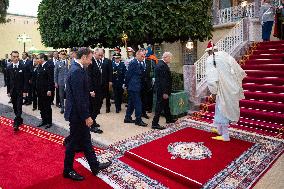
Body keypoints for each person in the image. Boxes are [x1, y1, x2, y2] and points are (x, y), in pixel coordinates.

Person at [63, 47, 111, 181]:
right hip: (77, 115)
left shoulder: (77, 68)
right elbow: (79, 98)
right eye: (90, 59)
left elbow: (79, 91)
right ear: (84, 57)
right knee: (72, 143)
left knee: (86, 141)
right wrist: (87, 116)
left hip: (78, 112)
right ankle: (67, 170)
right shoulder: (76, 70)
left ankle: (94, 166)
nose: (91, 62)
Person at [205, 41, 246, 141]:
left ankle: (225, 136)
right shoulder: (225, 55)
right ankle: (220, 130)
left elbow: (211, 79)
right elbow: (239, 71)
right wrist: (234, 83)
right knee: (223, 108)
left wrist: (213, 92)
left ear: (209, 52)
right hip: (230, 86)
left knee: (222, 109)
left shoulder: (210, 59)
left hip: (221, 88)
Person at [151, 52, 177, 130]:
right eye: (170, 58)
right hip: (162, 90)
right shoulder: (162, 66)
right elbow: (163, 81)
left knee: (166, 105)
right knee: (159, 106)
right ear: (166, 57)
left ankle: (169, 119)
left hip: (162, 89)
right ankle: (155, 123)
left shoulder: (161, 64)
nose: (170, 59)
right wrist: (165, 92)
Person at [124, 49, 147, 127]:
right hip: (133, 87)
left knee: (131, 103)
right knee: (138, 104)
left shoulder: (138, 62)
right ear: (137, 55)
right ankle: (138, 120)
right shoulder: (133, 63)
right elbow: (128, 75)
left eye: (144, 56)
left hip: (136, 86)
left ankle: (127, 117)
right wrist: (126, 85)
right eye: (142, 56)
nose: (143, 57)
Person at [6, 51, 28, 131]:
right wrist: (8, 91)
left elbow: (25, 80)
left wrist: (25, 91)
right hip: (12, 91)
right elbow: (8, 80)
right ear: (11, 57)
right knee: (15, 106)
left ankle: (16, 122)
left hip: (20, 91)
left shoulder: (23, 67)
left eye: (17, 56)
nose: (16, 58)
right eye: (14, 57)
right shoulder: (9, 67)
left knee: (19, 106)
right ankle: (19, 119)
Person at [87, 48, 105, 134]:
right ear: (95, 53)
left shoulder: (99, 61)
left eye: (102, 55)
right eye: (99, 55)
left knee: (98, 105)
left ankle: (93, 120)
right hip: (93, 89)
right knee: (93, 107)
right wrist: (91, 90)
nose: (101, 57)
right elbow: (88, 77)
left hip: (99, 88)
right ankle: (91, 125)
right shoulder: (91, 62)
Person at [36, 53, 54, 129]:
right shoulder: (39, 66)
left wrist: (49, 89)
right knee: (41, 106)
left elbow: (51, 79)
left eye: (38, 58)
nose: (37, 60)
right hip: (40, 90)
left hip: (47, 91)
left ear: (43, 58)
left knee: (47, 106)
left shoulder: (49, 66)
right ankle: (43, 120)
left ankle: (49, 122)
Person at [102, 49, 113, 113]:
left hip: (106, 80)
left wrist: (110, 81)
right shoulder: (96, 60)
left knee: (107, 95)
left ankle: (108, 107)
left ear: (103, 53)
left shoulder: (108, 61)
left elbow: (110, 71)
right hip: (99, 81)